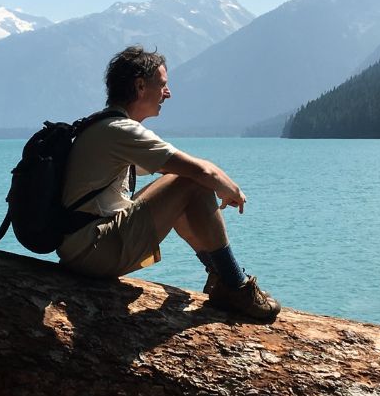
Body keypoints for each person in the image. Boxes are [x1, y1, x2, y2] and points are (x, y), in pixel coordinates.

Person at [57, 45, 281, 322]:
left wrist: (208, 180)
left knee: (184, 182)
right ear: (140, 86)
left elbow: (176, 176)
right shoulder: (120, 131)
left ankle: (220, 274)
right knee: (191, 182)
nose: (168, 92)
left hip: (81, 247)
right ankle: (234, 283)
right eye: (162, 84)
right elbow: (200, 172)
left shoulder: (104, 127)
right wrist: (230, 188)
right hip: (93, 252)